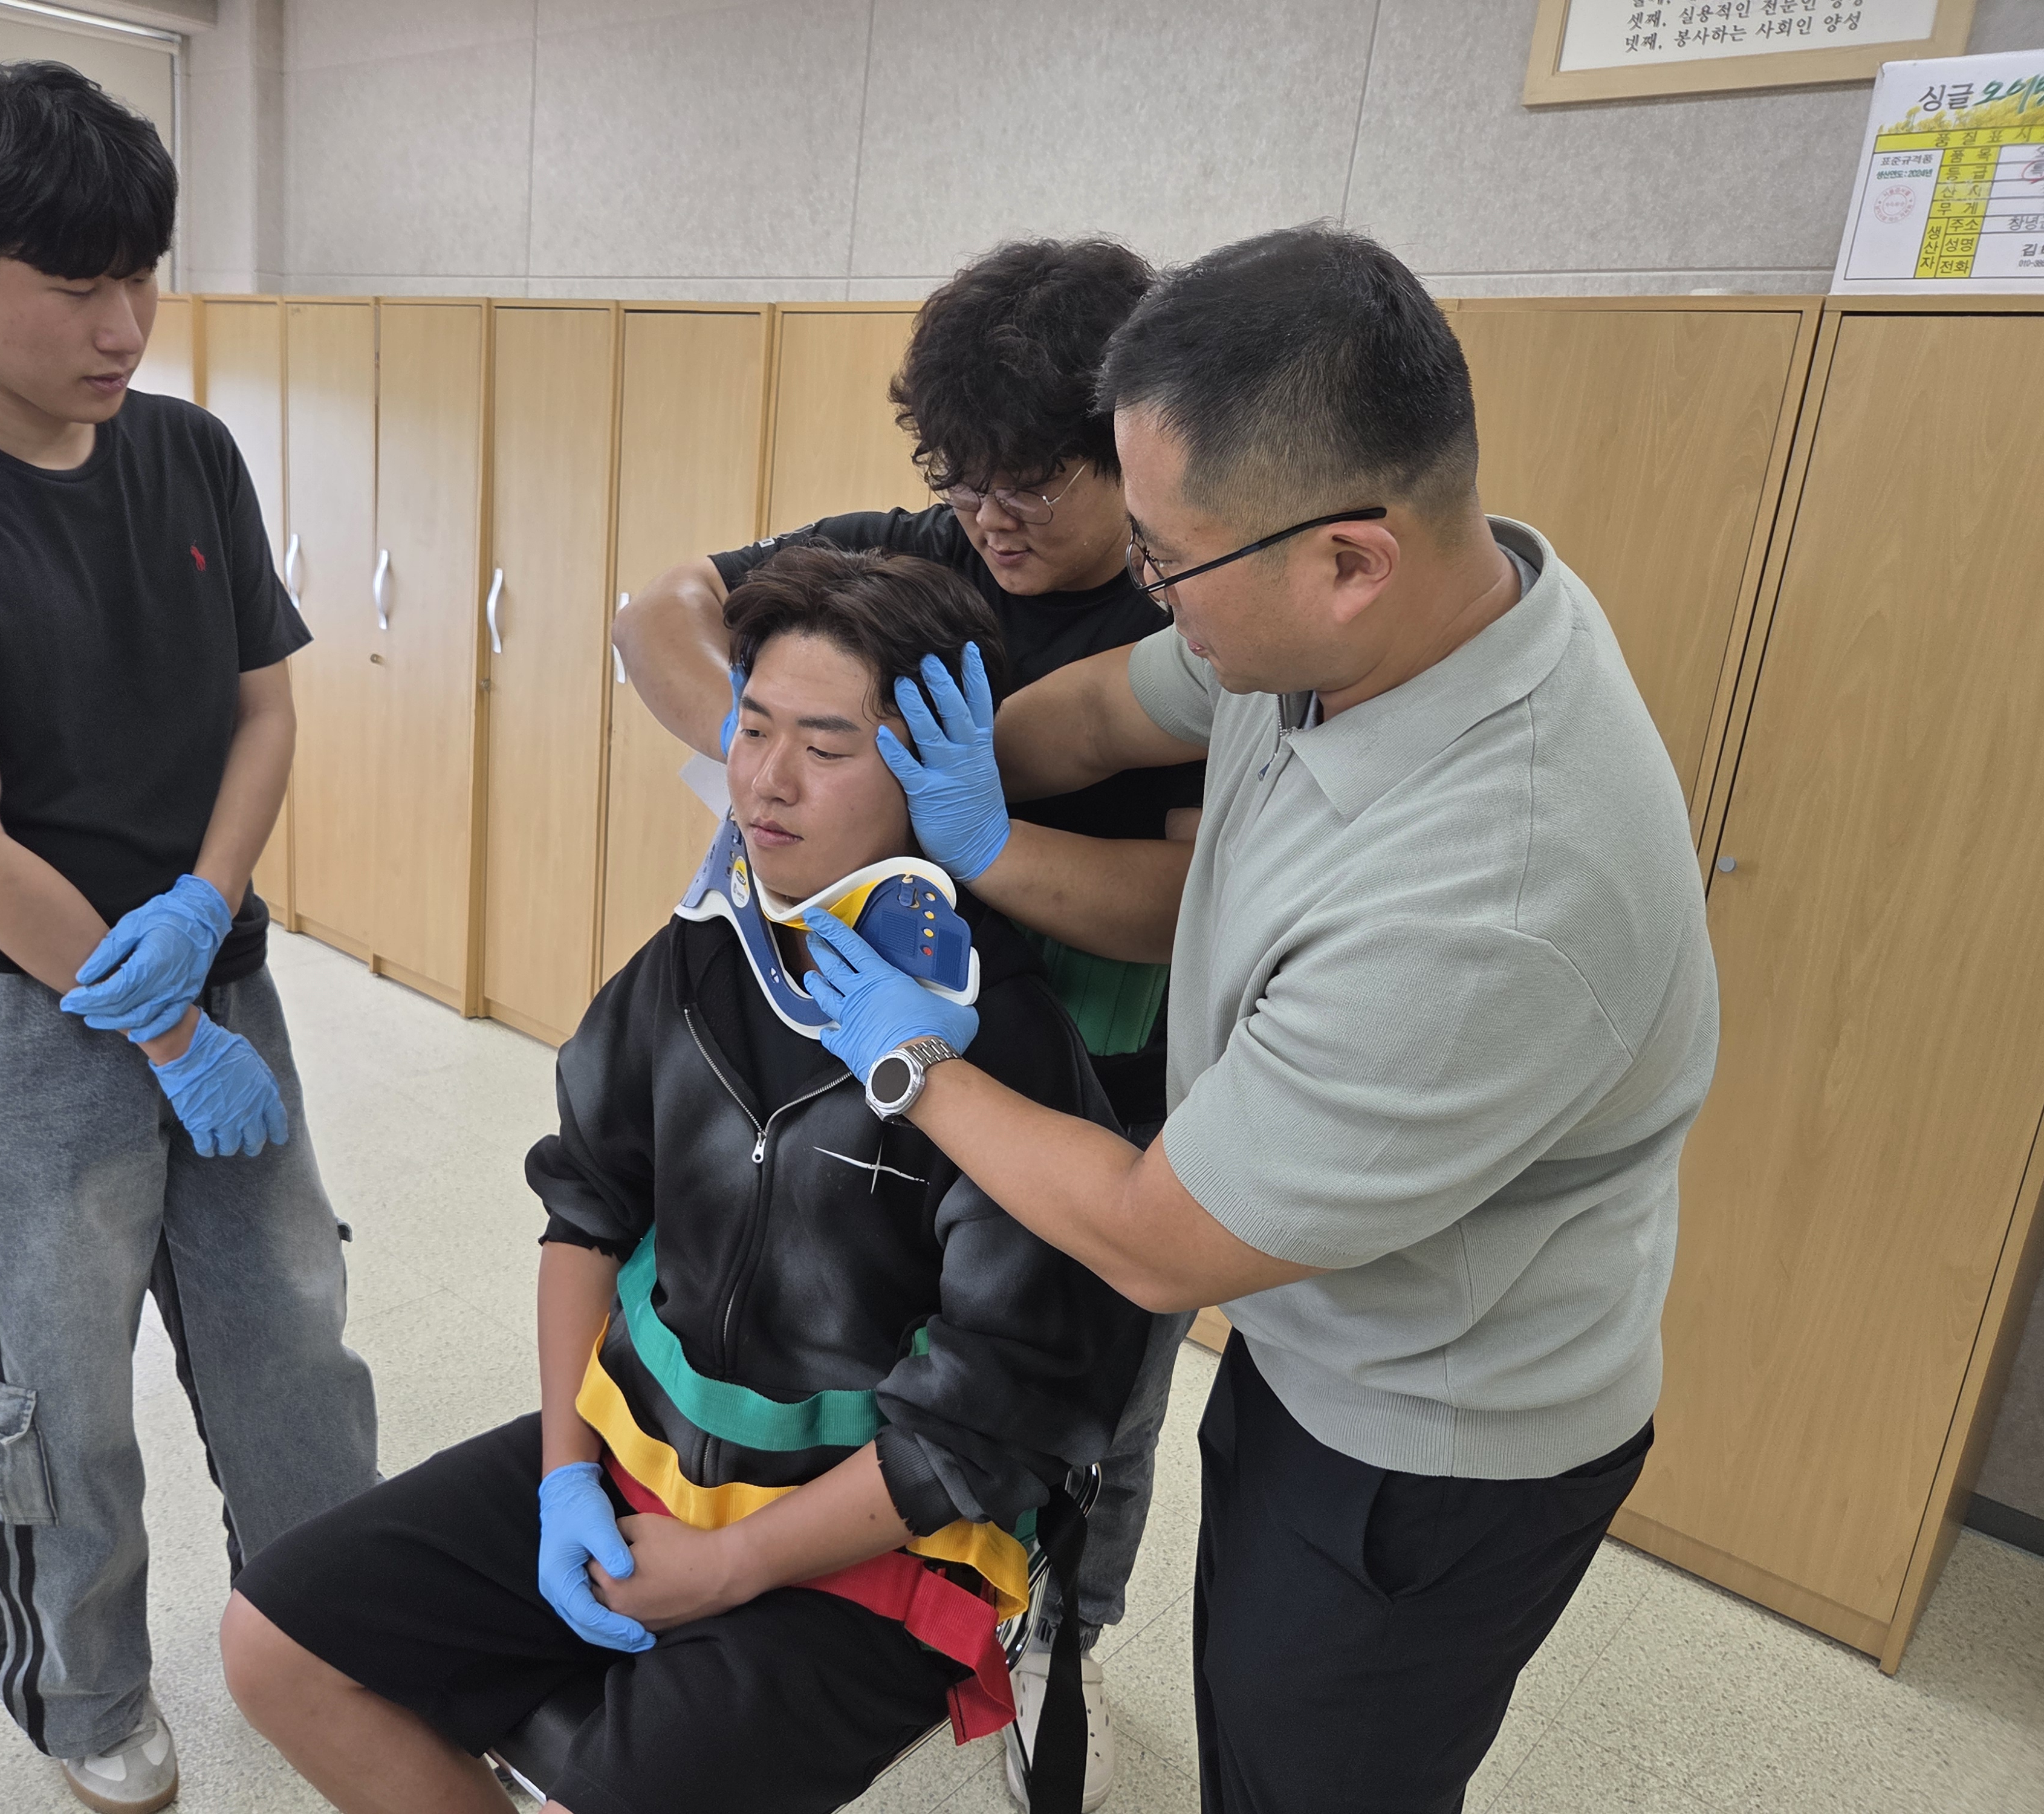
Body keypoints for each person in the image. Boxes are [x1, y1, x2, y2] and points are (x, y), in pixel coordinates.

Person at [795, 226, 1721, 1813]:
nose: (1147, 593)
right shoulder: (1392, 609)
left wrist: (906, 1054)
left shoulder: (1491, 897)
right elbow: (1109, 712)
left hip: (1430, 1438)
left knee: (1307, 1770)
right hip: (1319, 1332)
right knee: (1251, 1694)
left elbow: (1157, 1239)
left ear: (1349, 558)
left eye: (1164, 562)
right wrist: (898, 789)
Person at [219, 544, 1149, 1814]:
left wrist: (731, 1569)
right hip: (642, 1456)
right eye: (752, 728)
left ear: (930, 771)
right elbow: (585, 1210)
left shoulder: (1003, 1050)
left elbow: (986, 1424)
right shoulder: (702, 960)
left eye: (826, 747)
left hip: (875, 1530)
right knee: (275, 1643)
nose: (765, 780)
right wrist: (564, 1474)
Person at [0, 63, 376, 1814]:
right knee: (52, 1394)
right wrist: (156, 1024)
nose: (125, 326)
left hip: (219, 975)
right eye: (76, 286)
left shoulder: (188, 452)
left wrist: (204, 914)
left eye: (143, 277)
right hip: (22, 1019)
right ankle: (86, 1693)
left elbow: (264, 710)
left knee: (293, 1349)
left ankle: (328, 1641)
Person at [612, 239, 1198, 1804]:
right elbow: (656, 610)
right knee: (857, 1336)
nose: (990, 518)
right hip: (865, 1065)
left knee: (1092, 1397)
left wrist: (980, 843)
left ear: (1128, 449)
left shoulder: (1188, 618)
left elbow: (1178, 904)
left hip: (1086, 1086)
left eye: (1032, 485)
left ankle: (1062, 1628)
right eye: (964, 480)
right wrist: (770, 752)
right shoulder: (912, 553)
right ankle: (823, 1576)